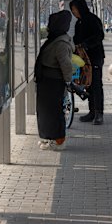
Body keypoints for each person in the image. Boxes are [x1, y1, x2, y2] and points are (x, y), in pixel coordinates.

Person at [34, 11, 74, 151]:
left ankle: (58, 140)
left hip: (53, 82)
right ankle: (48, 138)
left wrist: (68, 81)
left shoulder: (60, 42)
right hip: (47, 81)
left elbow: (65, 64)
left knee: (54, 112)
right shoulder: (56, 38)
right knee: (46, 111)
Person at [69, 0, 105, 125]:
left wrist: (86, 44)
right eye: (72, 10)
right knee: (88, 84)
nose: (74, 12)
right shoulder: (79, 22)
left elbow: (99, 36)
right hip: (83, 59)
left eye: (75, 9)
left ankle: (99, 113)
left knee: (96, 84)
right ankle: (92, 112)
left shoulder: (92, 19)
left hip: (95, 57)